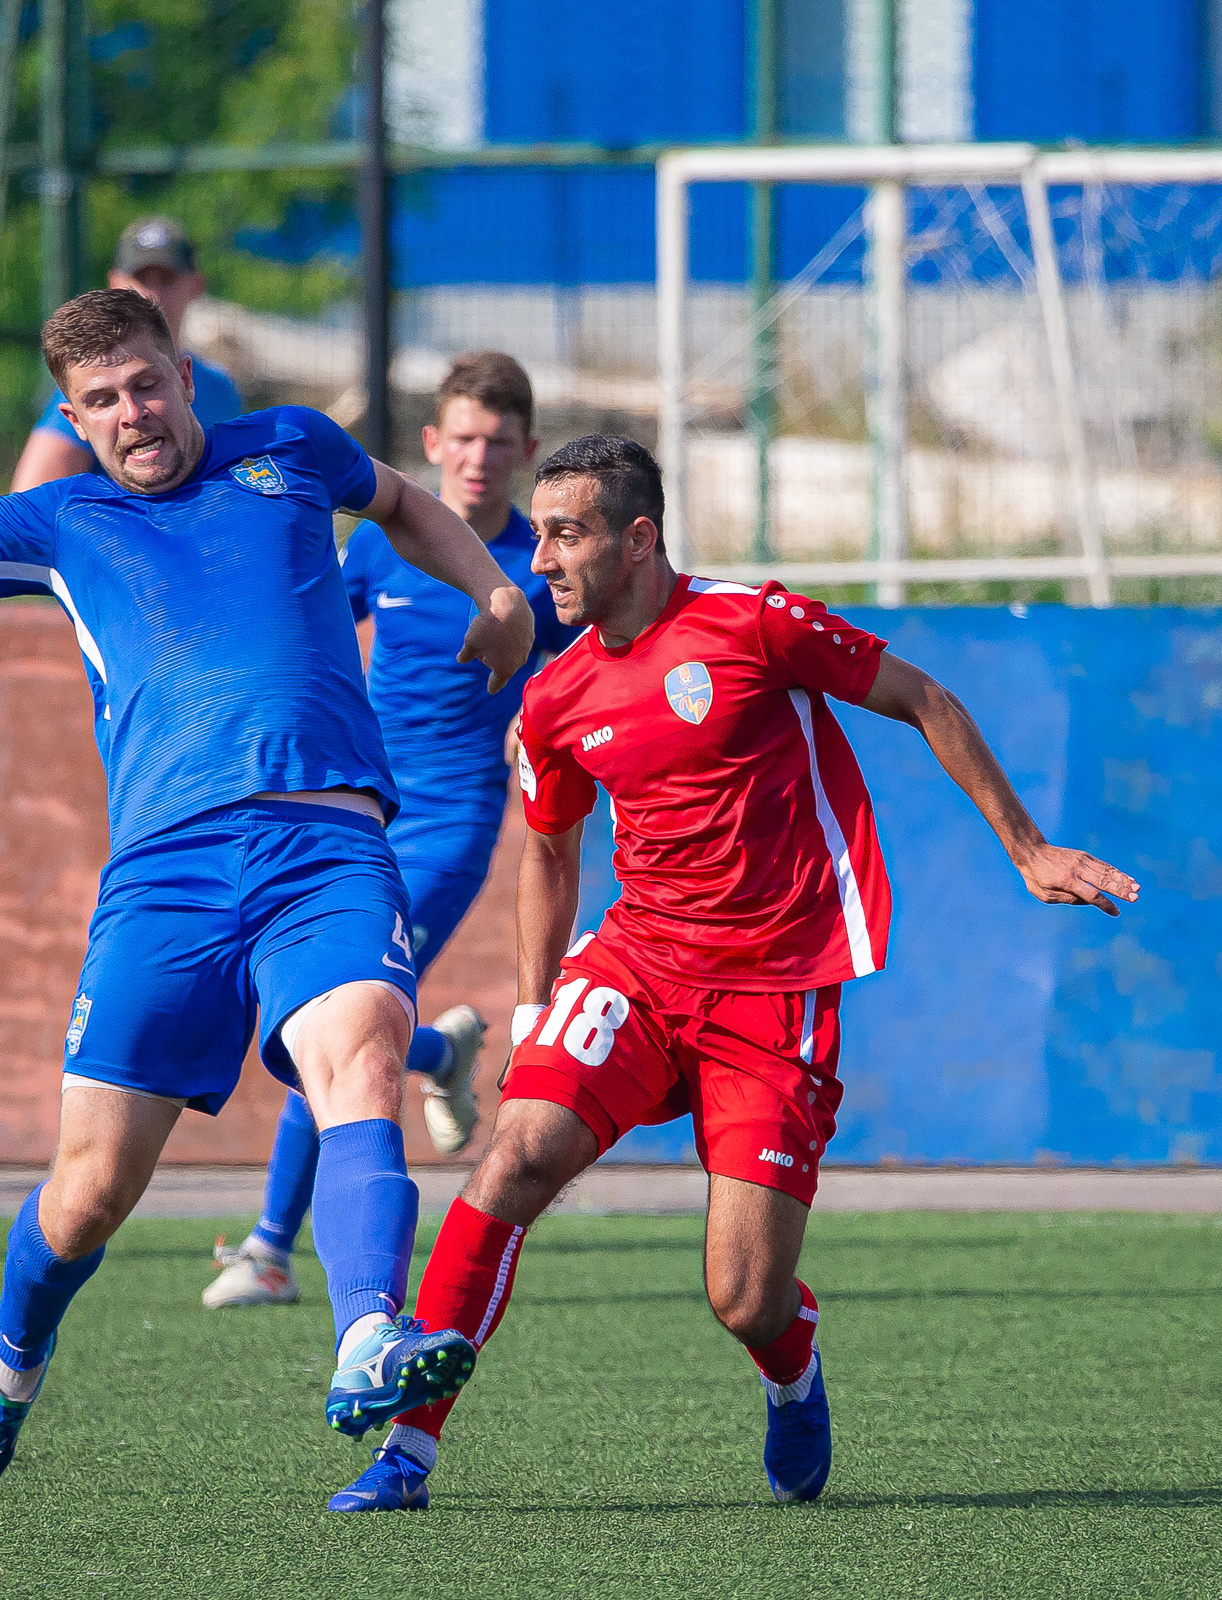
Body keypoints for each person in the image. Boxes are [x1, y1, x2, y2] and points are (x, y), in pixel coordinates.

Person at [0, 257, 536, 1496]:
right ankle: (8, 1366)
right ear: (71, 422)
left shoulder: (289, 447)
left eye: (146, 385)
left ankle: (364, 1335)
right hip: (167, 876)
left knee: (366, 1050)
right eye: (102, 400)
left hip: (326, 842)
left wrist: (496, 588)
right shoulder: (64, 521)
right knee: (87, 1197)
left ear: (186, 379)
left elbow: (403, 503)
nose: (132, 412)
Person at [328, 436, 1142, 1513]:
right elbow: (550, 852)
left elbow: (924, 699)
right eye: (539, 539)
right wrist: (536, 1009)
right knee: (514, 1156)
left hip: (777, 985)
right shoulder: (555, 695)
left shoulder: (755, 622)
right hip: (638, 967)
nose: (543, 563)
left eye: (566, 536)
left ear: (639, 538)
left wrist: (1028, 847)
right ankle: (407, 1454)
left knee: (743, 1293)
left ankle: (792, 1368)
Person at [203, 351, 575, 1310]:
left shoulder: (540, 565)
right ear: (432, 443)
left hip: (452, 826)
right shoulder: (380, 542)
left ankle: (270, 1249)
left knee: (334, 1014)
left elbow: (588, 679)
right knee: (311, 1015)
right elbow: (309, 627)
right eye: (464, 438)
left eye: (500, 441)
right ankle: (441, 1057)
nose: (480, 457)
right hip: (355, 805)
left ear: (526, 450)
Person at [8, 216, 245, 491]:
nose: (152, 294)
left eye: (166, 279)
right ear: (115, 283)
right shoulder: (94, 392)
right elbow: (31, 499)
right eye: (140, 278)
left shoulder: (220, 388)